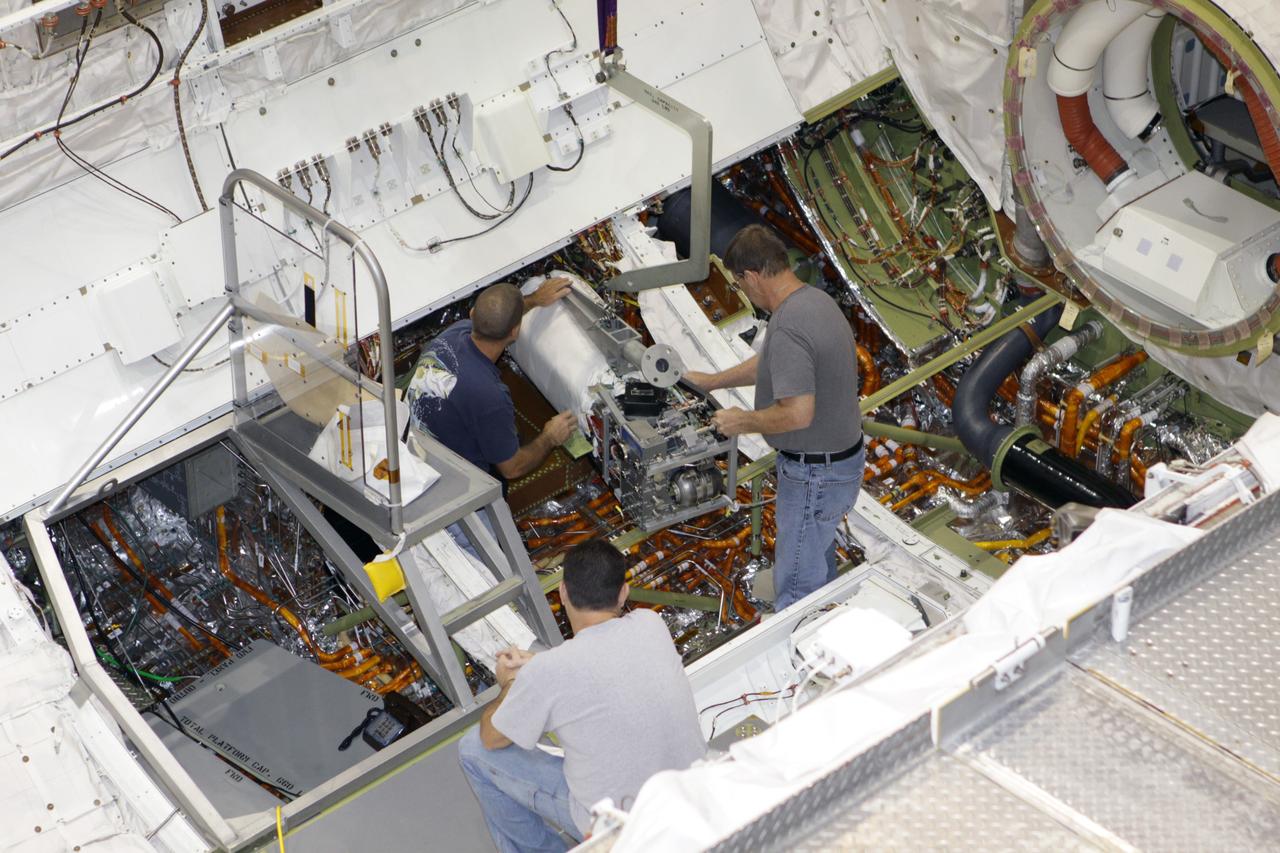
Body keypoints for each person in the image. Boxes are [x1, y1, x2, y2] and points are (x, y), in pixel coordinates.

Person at [457, 539, 705, 852]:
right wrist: (538, 666)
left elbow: (491, 738)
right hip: (687, 800)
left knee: (472, 749)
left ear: (562, 593)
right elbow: (601, 663)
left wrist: (510, 684)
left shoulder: (550, 672)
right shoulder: (650, 624)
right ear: (623, 593)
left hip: (620, 830)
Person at [685, 224, 863, 610]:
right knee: (817, 557)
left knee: (797, 587)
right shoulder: (814, 302)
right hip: (840, 464)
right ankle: (828, 614)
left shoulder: (789, 326)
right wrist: (713, 381)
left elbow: (798, 414)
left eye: (739, 284)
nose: (743, 292)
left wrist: (740, 421)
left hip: (815, 475)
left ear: (750, 276)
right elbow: (772, 364)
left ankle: (805, 650)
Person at [411, 279, 577, 481]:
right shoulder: (490, 396)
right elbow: (512, 468)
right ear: (515, 331)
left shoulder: (454, 333)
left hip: (415, 441)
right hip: (449, 480)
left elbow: (494, 317)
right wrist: (550, 437)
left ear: (473, 314)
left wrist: (534, 299)